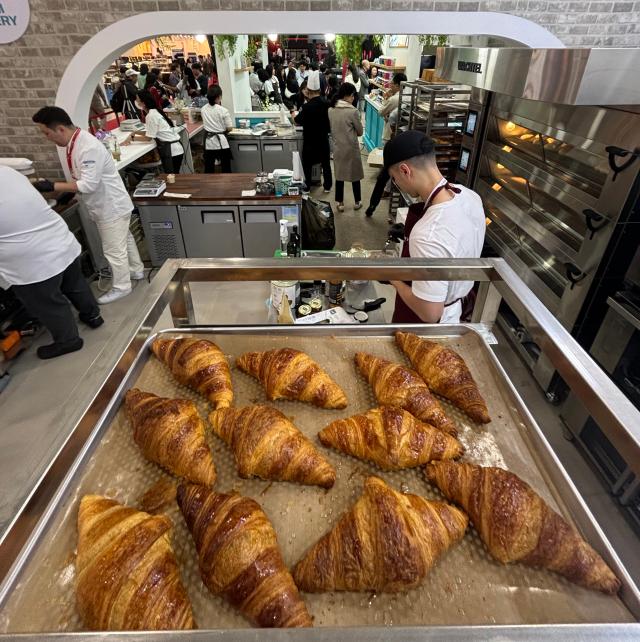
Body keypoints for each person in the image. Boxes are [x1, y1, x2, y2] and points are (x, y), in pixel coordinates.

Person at [32, 106, 144, 305]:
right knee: (124, 240)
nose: (46, 137)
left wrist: (52, 186)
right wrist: (66, 194)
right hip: (109, 204)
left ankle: (122, 287)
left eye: (46, 133)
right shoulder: (74, 143)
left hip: (111, 206)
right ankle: (136, 271)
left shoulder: (88, 146)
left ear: (60, 129)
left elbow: (89, 184)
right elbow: (82, 178)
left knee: (113, 250)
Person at [0, 167, 103, 359]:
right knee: (75, 284)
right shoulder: (7, 171)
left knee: (48, 302)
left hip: (31, 259)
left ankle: (68, 341)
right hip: (60, 239)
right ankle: (93, 316)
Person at [384, 130, 485, 324]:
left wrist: (393, 277)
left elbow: (430, 314)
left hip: (434, 327)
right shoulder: (469, 196)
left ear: (405, 170)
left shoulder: (427, 234)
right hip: (460, 308)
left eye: (394, 178)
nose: (397, 185)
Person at [365, 72, 407, 218]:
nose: (390, 85)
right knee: (392, 170)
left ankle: (376, 202)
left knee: (385, 171)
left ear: (397, 85)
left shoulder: (394, 99)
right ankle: (387, 193)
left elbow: (381, 112)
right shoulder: (407, 98)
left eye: (392, 83)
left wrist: (386, 99)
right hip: (401, 143)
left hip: (389, 138)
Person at [128, 90, 184, 174]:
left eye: (137, 100)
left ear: (143, 103)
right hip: (176, 149)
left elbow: (148, 138)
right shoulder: (155, 111)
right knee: (173, 177)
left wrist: (132, 138)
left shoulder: (151, 116)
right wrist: (136, 132)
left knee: (172, 178)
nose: (136, 102)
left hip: (172, 151)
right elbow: (152, 132)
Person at [294, 70, 332, 193]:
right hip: (323, 139)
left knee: (308, 164)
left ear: (309, 92)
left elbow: (297, 121)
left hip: (310, 141)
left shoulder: (306, 107)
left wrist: (293, 114)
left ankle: (308, 187)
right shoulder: (327, 104)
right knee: (326, 163)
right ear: (319, 90)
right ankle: (327, 187)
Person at [328, 83, 364, 212]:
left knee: (339, 176)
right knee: (355, 176)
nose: (353, 98)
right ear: (348, 95)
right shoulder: (352, 111)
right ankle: (357, 201)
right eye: (353, 95)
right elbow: (360, 132)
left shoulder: (331, 109)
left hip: (337, 147)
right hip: (351, 148)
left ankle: (340, 203)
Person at [201, 86, 233, 173]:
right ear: (218, 97)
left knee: (209, 168)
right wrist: (223, 131)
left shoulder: (203, 109)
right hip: (221, 142)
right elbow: (229, 128)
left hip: (209, 142)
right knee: (226, 167)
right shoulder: (223, 110)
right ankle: (227, 184)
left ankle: (209, 185)